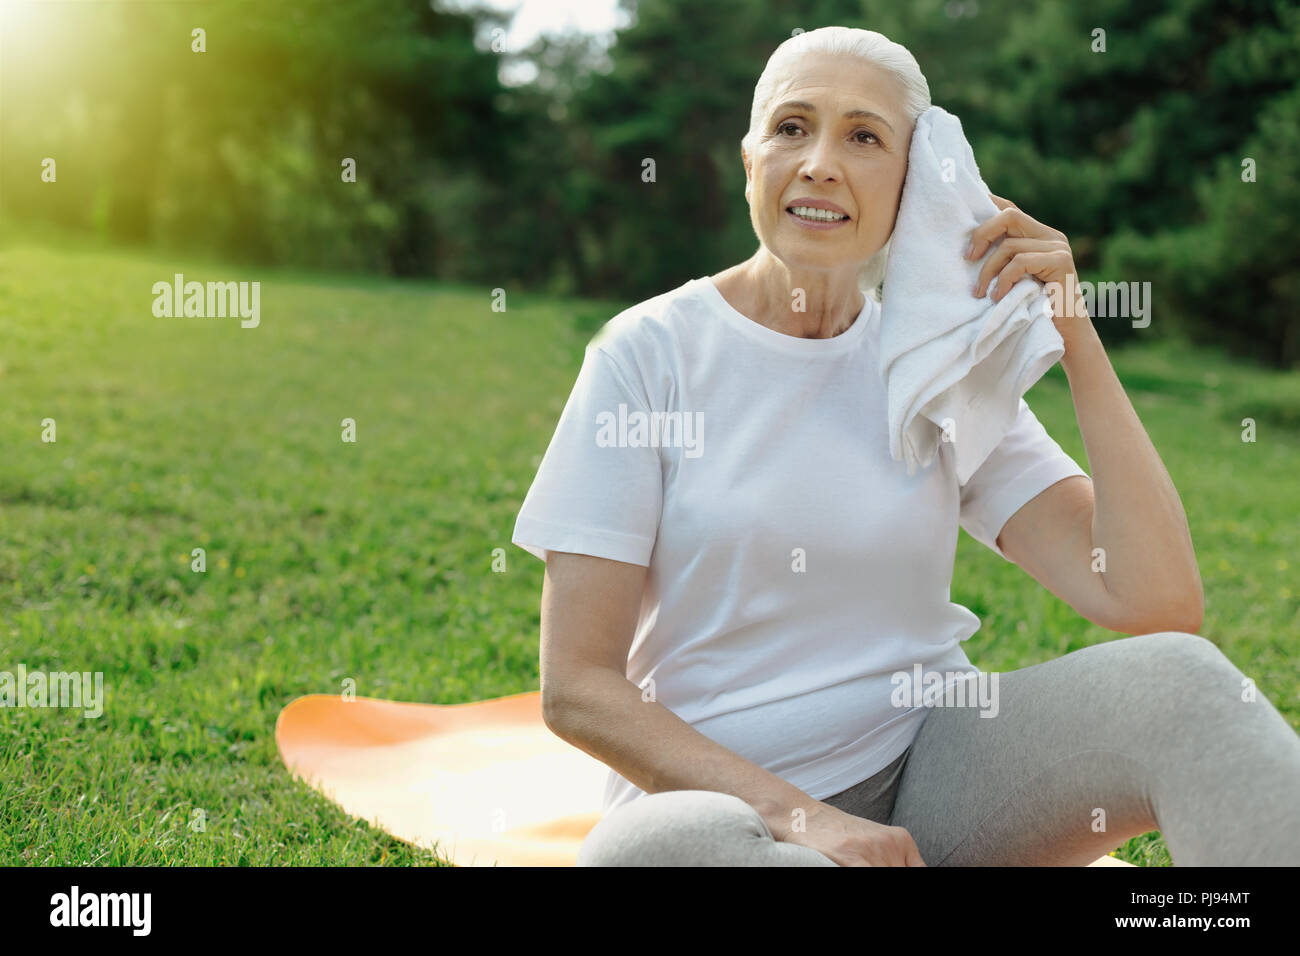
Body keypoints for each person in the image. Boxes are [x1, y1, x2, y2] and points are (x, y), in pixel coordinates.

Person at [511, 26, 1300, 866]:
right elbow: (578, 688)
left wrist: (1075, 334)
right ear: (750, 163)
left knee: (1182, 682)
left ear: (912, 184)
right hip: (724, 812)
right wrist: (811, 821)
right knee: (645, 856)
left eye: (863, 136)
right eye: (790, 127)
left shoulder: (932, 365)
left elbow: (1154, 603)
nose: (818, 161)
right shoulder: (645, 356)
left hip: (936, 773)